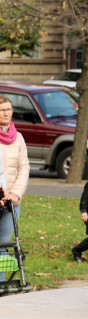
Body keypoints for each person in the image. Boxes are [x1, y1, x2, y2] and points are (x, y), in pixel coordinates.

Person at [0, 96, 29, 260]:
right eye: (2, 110)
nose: (6, 113)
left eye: (9, 109)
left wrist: (16, 193)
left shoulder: (18, 138)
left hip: (12, 201)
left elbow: (24, 168)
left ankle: (1, 284)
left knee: (3, 245)